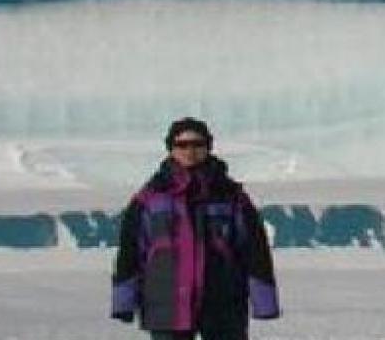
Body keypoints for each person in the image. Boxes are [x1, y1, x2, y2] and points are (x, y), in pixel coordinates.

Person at [111, 117, 281, 338]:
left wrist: (264, 302)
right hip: (166, 305)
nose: (190, 151)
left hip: (222, 304)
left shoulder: (231, 196)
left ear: (208, 147)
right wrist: (123, 301)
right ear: (171, 149)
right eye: (182, 145)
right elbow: (130, 252)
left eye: (197, 144)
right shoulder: (149, 198)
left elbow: (254, 250)